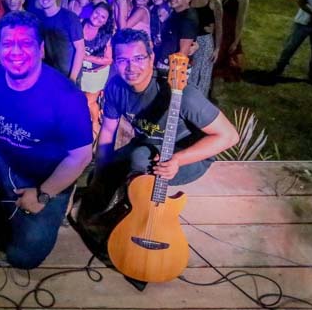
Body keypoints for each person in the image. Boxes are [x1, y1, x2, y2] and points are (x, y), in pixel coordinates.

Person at [0, 11, 92, 269]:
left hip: (48, 178)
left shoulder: (66, 96)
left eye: (25, 43)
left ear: (41, 49)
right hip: (5, 161)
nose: (16, 51)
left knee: (23, 257)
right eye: (8, 44)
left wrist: (44, 195)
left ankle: (54, 206)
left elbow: (81, 156)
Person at [88, 29, 238, 213]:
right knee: (105, 172)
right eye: (122, 60)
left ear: (151, 58)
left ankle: (134, 211)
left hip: (188, 156)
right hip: (149, 144)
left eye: (138, 58)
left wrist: (178, 160)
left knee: (139, 158)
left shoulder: (181, 93)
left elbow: (229, 136)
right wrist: (101, 170)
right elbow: (108, 131)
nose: (131, 67)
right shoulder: (116, 87)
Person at [36, 0, 85, 83]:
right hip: (50, 74)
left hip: (69, 75)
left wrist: (72, 78)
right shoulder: (39, 19)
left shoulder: (69, 17)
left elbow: (80, 49)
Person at [80, 2, 114, 140]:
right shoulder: (79, 24)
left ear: (106, 21)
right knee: (78, 99)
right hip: (79, 71)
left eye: (103, 17)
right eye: (96, 13)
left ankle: (95, 124)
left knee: (89, 102)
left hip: (95, 74)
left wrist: (87, 57)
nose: (98, 18)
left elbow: (108, 60)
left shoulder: (106, 35)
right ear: (91, 12)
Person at [187, 0, 222, 97]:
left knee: (202, 76)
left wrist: (217, 48)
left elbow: (219, 26)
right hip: (188, 41)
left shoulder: (213, 1)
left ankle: (200, 103)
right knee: (189, 74)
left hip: (205, 42)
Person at [213, 0, 249, 83]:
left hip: (228, 35)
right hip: (214, 32)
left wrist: (236, 41)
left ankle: (214, 95)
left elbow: (240, 19)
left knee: (222, 69)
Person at [155, 0, 198, 72]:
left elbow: (183, 53)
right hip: (164, 62)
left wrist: (175, 79)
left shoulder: (187, 20)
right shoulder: (175, 12)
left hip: (172, 68)